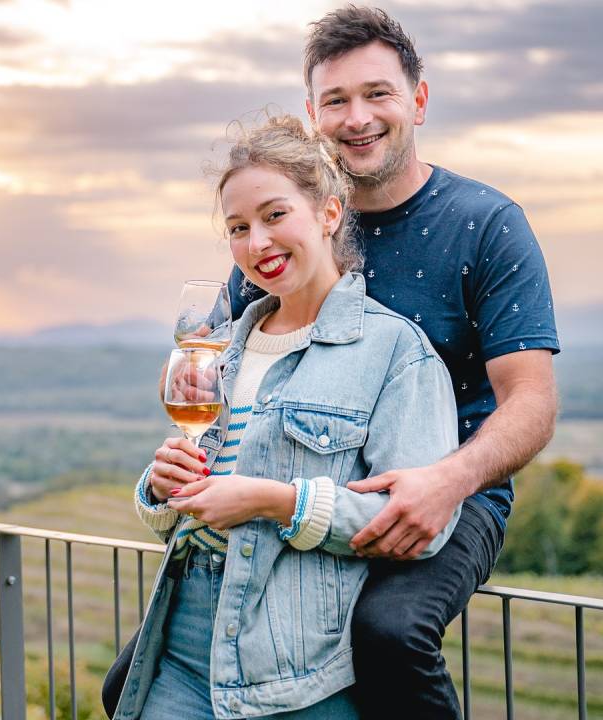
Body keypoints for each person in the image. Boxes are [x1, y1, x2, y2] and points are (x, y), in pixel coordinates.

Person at [106, 6, 560, 719]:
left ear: (418, 99)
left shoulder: (485, 223)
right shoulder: (282, 236)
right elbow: (231, 376)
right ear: (312, 115)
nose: (358, 117)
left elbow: (531, 398)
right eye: (336, 100)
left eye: (377, 93)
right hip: (310, 480)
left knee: (387, 633)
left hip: (449, 485)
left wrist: (448, 480)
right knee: (127, 679)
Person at [110, 116, 462, 719]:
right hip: (182, 644)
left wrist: (275, 502)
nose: (257, 243)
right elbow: (188, 507)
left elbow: (414, 525)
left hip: (294, 662)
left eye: (275, 215)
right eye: (238, 228)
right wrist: (162, 487)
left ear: (329, 213)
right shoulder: (222, 350)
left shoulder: (396, 353)